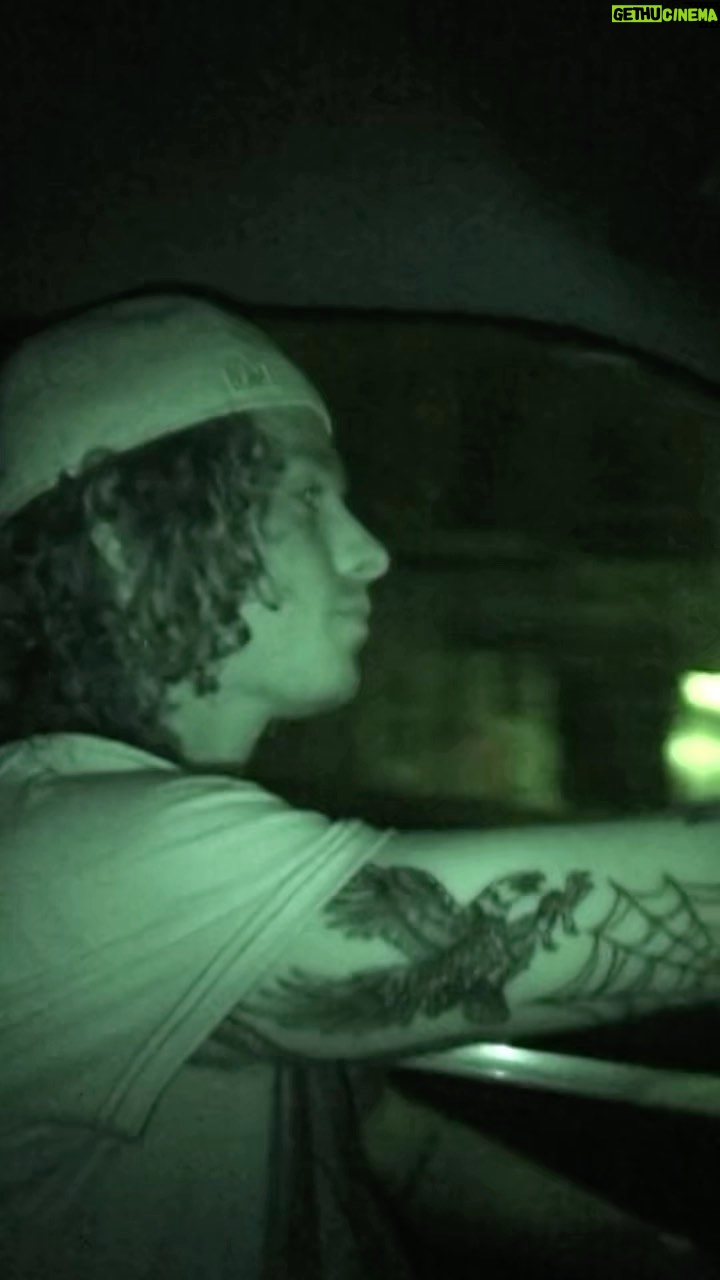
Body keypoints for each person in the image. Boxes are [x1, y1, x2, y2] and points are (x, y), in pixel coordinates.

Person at [0, 288, 716, 1280]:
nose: (369, 552)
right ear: (125, 536)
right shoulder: (87, 862)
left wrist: (651, 1255)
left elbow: (392, 1147)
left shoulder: (154, 845)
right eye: (306, 498)